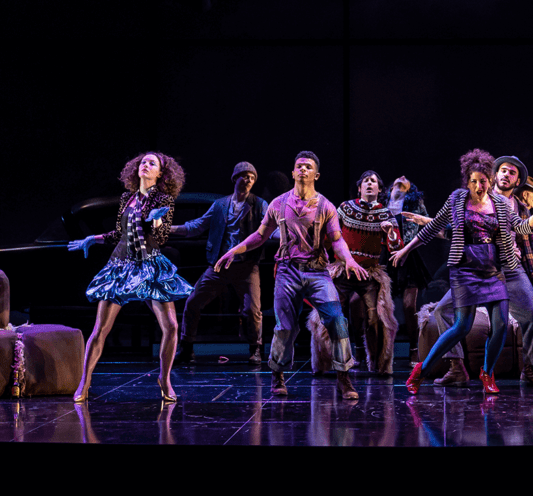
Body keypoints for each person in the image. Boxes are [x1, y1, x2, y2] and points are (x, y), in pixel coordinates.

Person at [392, 149, 533, 395]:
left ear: (490, 181)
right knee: (462, 326)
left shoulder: (501, 205)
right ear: (468, 180)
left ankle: (487, 372)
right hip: (466, 270)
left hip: (494, 270)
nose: (479, 186)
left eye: (483, 181)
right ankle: (423, 369)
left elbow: (522, 227)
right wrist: (405, 250)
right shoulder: (457, 199)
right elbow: (434, 227)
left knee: (500, 324)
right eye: (474, 181)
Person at [214, 151, 369, 398]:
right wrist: (234, 249)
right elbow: (260, 236)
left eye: (308, 166)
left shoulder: (326, 206)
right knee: (285, 326)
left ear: (316, 175)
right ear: (293, 172)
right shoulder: (278, 203)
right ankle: (277, 373)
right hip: (287, 272)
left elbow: (337, 240)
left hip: (318, 272)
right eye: (299, 166)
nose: (303, 169)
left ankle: (344, 376)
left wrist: (348, 260)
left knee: (337, 320)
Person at [428, 156, 533, 388]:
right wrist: (428, 223)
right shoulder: (475, 198)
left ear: (517, 181)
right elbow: (452, 227)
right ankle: (456, 368)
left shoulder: (521, 209)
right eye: (503, 170)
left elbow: (531, 246)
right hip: (478, 269)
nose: (506, 175)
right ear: (494, 175)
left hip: (510, 270)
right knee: (442, 311)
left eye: (512, 173)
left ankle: (530, 369)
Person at [68, 152, 193, 402]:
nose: (146, 165)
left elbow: (161, 238)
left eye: (152, 163)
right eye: (143, 162)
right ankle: (85, 381)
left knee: (171, 326)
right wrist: (92, 239)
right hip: (121, 266)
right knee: (100, 329)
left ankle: (164, 379)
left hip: (150, 266)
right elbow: (119, 233)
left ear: (160, 173)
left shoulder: (163, 200)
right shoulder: (128, 198)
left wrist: (155, 221)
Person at [171, 162, 267, 365]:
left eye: (252, 177)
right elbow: (197, 226)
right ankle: (186, 347)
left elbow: (270, 228)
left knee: (252, 310)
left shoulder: (259, 204)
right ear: (235, 178)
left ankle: (256, 348)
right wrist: (168, 229)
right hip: (219, 266)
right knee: (193, 302)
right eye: (245, 176)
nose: (248, 180)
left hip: (246, 266)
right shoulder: (220, 205)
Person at [324, 170, 402, 375]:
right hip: (343, 270)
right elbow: (330, 235)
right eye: (365, 181)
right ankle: (331, 360)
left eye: (373, 181)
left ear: (379, 189)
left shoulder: (385, 214)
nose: (369, 184)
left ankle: (376, 363)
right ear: (359, 188)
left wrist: (390, 232)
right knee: (331, 314)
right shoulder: (345, 208)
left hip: (369, 274)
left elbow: (396, 248)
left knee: (375, 318)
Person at [383, 175, 430, 362]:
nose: (402, 177)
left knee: (409, 305)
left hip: (409, 257)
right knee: (382, 306)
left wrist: (407, 249)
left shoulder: (414, 204)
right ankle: (383, 350)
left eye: (406, 180)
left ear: (410, 189)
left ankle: (414, 348)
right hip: (385, 257)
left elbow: (428, 227)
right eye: (398, 178)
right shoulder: (382, 204)